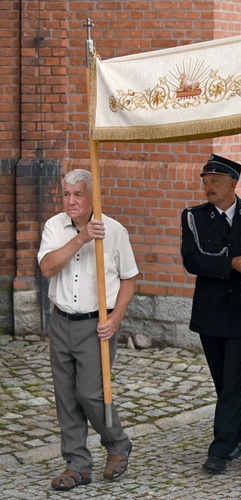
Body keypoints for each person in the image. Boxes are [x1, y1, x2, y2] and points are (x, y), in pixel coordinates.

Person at [39, 169, 138, 491]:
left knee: (91, 393)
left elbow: (129, 278)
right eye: (66, 194)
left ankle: (117, 443)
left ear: (92, 196)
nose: (70, 201)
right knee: (66, 397)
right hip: (61, 320)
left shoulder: (115, 231)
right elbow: (47, 268)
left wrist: (116, 318)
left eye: (77, 195)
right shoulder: (55, 227)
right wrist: (81, 238)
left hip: (97, 326)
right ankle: (78, 464)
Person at [181, 154, 241, 474]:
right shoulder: (193, 217)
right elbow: (192, 260)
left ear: (233, 184)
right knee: (223, 381)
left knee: (235, 382)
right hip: (210, 313)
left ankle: (220, 448)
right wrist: (231, 264)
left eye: (214, 181)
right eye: (205, 181)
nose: (207, 187)